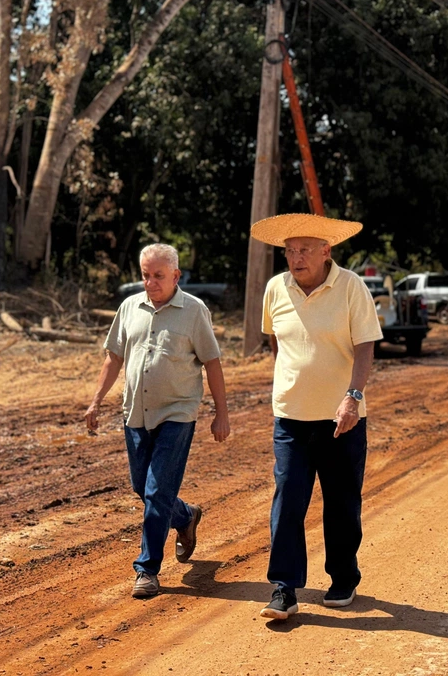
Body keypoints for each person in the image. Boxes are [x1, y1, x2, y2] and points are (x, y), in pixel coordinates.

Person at [250, 213, 383, 620]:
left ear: (326, 251)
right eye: (290, 250)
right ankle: (284, 588)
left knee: (341, 503)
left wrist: (352, 397)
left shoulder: (351, 287)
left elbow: (365, 347)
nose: (296, 257)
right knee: (287, 500)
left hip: (341, 419)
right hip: (290, 418)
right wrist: (292, 385)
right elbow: (277, 342)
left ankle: (343, 576)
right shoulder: (276, 289)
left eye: (304, 249)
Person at [84, 243, 230, 599]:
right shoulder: (129, 308)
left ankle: (146, 570)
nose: (150, 283)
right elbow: (113, 358)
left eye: (158, 276)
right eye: (145, 275)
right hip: (135, 412)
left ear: (176, 276)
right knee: (143, 488)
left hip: (177, 413)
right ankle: (185, 516)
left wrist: (221, 414)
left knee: (155, 491)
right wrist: (95, 401)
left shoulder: (194, 311)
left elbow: (212, 363)